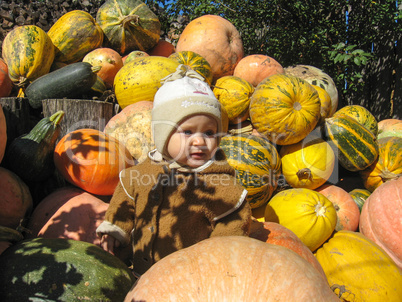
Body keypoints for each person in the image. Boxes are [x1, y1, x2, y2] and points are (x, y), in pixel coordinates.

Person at [96, 65, 251, 277]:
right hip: (139, 275)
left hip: (186, 282)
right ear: (162, 136)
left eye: (209, 132)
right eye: (187, 132)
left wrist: (216, 266)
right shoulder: (144, 171)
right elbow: (125, 199)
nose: (199, 141)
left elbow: (230, 233)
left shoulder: (222, 187)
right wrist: (115, 229)